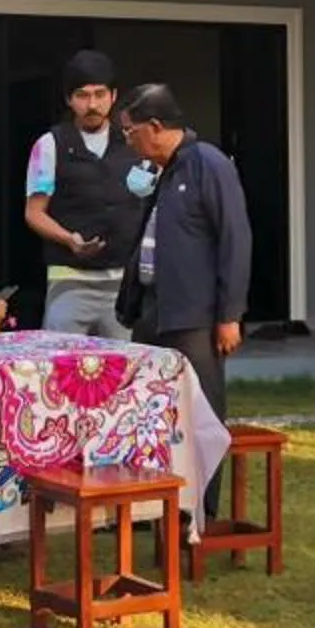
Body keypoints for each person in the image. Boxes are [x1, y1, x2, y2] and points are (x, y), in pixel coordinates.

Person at [115, 81, 250, 421]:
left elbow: (234, 238)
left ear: (155, 127)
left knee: (199, 411)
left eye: (130, 131)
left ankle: (203, 462)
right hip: (152, 307)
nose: (128, 141)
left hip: (193, 315)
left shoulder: (208, 163)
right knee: (147, 408)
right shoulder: (162, 169)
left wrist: (230, 315)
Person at [22, 49, 137, 339]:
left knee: (124, 363)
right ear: (68, 99)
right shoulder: (50, 145)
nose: (92, 104)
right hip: (69, 281)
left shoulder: (133, 141)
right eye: (82, 95)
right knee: (62, 360)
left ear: (113, 95)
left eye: (100, 94)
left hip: (123, 282)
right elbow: (34, 213)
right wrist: (68, 240)